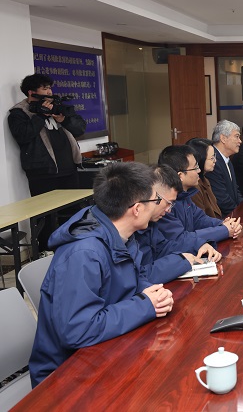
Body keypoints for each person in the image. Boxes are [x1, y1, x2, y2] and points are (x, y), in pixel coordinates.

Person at [29, 162, 174, 386]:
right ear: (136, 209)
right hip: (66, 376)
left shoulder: (121, 234)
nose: (158, 206)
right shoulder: (84, 254)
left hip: (106, 349)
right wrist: (145, 305)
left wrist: (151, 292)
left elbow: (130, 281)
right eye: (155, 200)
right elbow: (78, 330)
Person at [8, 73, 87, 253]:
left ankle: (74, 248)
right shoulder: (19, 113)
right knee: (45, 217)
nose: (50, 92)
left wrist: (63, 119)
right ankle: (46, 251)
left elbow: (80, 128)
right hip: (42, 173)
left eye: (50, 88)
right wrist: (40, 115)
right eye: (45, 88)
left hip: (69, 170)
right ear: (31, 92)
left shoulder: (57, 106)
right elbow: (23, 135)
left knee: (73, 213)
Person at [137, 165, 222, 285]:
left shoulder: (150, 222)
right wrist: (181, 261)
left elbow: (163, 248)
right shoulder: (127, 231)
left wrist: (198, 245)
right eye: (168, 203)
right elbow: (137, 277)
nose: (169, 210)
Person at [157, 145, 242, 250]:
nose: (199, 170)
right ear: (180, 176)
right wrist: (224, 230)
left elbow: (200, 219)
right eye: (195, 167)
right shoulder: (164, 204)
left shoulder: (185, 194)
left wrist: (223, 224)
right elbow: (182, 239)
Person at [206, 120, 243, 216]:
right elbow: (221, 198)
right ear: (223, 138)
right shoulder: (213, 162)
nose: (240, 141)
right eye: (237, 136)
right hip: (223, 216)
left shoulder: (226, 158)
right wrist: (239, 213)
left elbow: (235, 189)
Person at [186, 138, 223, 219]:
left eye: (214, 156)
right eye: (211, 158)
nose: (215, 160)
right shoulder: (193, 186)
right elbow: (201, 219)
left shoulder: (205, 179)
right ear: (200, 160)